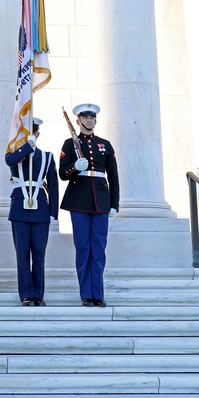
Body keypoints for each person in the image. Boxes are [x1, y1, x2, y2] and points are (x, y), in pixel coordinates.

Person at [59, 103, 120, 307]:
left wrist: (114, 204)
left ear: (95, 120)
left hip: (101, 202)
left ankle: (98, 294)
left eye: (91, 117)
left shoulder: (105, 144)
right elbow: (62, 173)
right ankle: (87, 294)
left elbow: (113, 176)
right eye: (84, 117)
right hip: (79, 201)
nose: (88, 121)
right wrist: (75, 168)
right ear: (78, 121)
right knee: (83, 248)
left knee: (99, 249)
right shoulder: (69, 144)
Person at [5, 117, 59, 307]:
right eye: (26, 132)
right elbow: (10, 160)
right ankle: (27, 294)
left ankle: (39, 294)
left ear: (38, 133)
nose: (31, 134)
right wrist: (26, 146)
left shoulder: (47, 156)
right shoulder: (15, 152)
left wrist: (54, 213)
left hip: (40, 208)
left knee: (39, 254)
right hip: (20, 208)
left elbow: (53, 185)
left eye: (33, 132)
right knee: (22, 254)